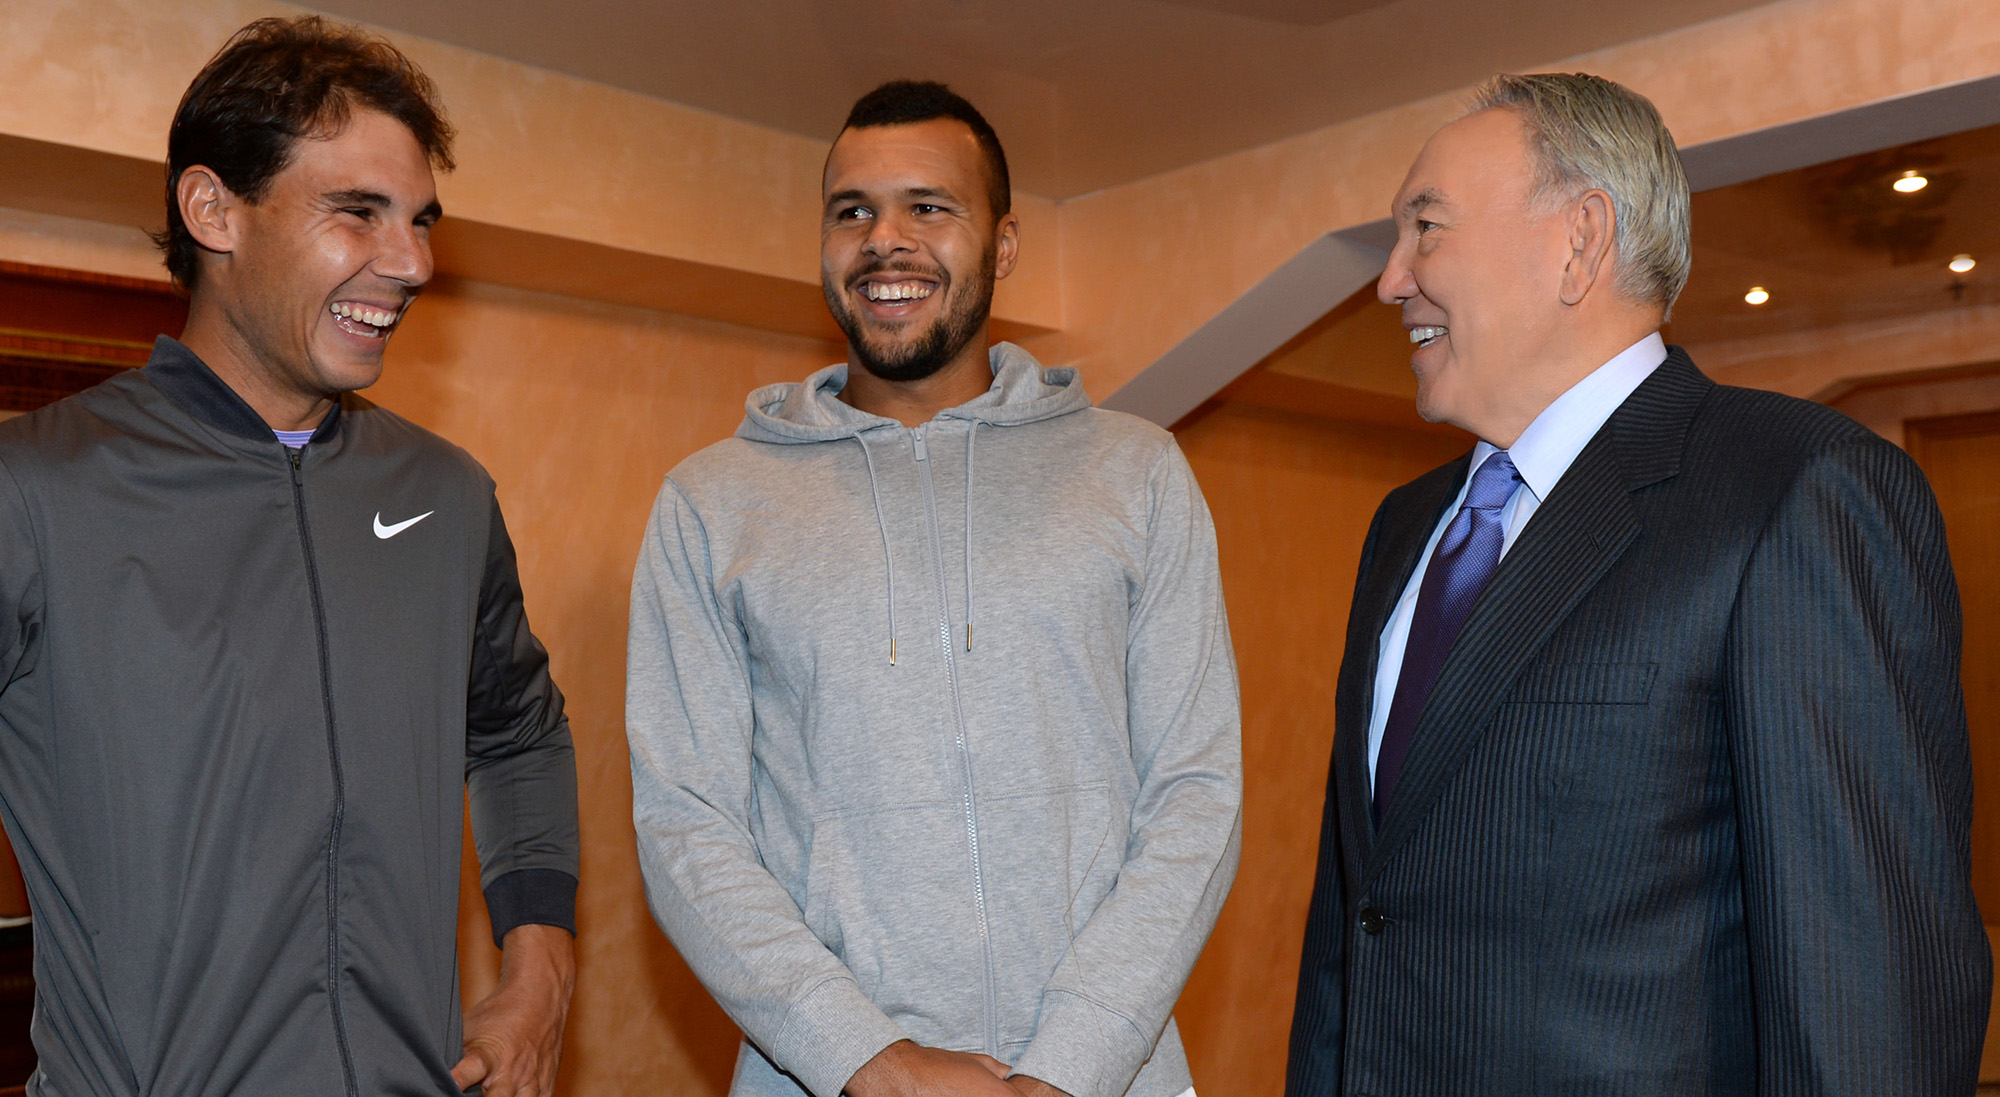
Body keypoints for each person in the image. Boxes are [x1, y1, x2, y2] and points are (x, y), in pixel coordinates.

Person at [1286, 72, 1990, 1095]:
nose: (1390, 279)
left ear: (1578, 239)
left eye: (1425, 228)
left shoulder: (1794, 487)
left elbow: (1866, 994)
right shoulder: (1404, 528)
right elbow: (1358, 924)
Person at [0, 17, 580, 1096]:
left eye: (419, 220)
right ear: (213, 210)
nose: (411, 262)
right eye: (358, 212)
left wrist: (540, 973)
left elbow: (520, 732)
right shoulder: (34, 489)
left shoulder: (447, 494)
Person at [627, 81, 1242, 1097]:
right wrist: (871, 1060)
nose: (885, 240)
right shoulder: (712, 502)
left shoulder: (1135, 473)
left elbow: (1195, 794)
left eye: (928, 206)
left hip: (1108, 1077)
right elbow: (686, 826)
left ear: (1003, 242)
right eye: (852, 211)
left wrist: (1069, 1065)